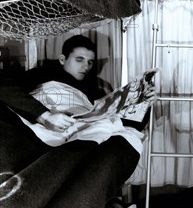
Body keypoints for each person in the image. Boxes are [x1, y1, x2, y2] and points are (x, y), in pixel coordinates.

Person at [0, 35, 156, 145]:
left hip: (78, 134)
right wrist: (44, 116)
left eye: (90, 62)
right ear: (62, 59)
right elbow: (4, 86)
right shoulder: (41, 74)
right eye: (79, 59)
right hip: (39, 127)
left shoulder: (95, 90)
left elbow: (127, 124)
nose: (86, 66)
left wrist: (144, 103)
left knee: (118, 132)